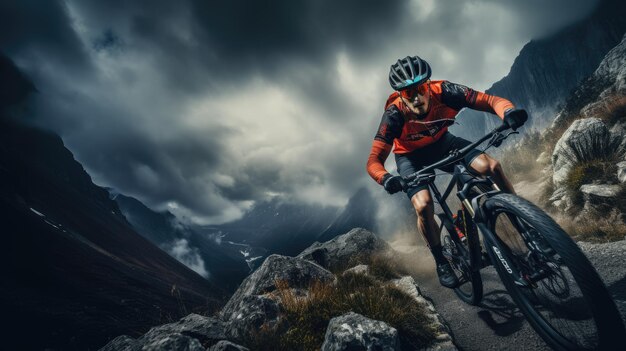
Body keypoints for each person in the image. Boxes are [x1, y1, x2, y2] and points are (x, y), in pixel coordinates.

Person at [366, 56, 527, 288]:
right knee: (423, 205)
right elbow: (373, 160)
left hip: (444, 143)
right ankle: (441, 261)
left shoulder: (446, 91)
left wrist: (508, 112)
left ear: (428, 85)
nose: (417, 97)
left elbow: (490, 100)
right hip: (410, 158)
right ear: (401, 95)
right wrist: (386, 178)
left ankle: (523, 223)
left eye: (421, 89)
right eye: (408, 93)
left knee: (491, 167)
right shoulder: (393, 115)